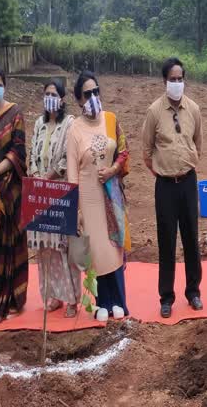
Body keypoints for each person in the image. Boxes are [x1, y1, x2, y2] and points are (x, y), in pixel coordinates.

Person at [142, 58, 204, 318]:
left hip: (188, 182)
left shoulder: (194, 110)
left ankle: (194, 292)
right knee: (166, 241)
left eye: (180, 79)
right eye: (172, 79)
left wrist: (185, 165)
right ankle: (166, 296)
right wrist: (162, 170)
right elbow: (146, 151)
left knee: (191, 237)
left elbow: (198, 144)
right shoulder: (154, 111)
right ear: (164, 81)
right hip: (165, 185)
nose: (177, 83)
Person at [67, 71, 130, 321]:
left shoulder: (112, 120)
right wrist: (78, 211)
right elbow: (72, 173)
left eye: (96, 92)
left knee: (115, 247)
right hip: (88, 197)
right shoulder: (75, 130)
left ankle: (119, 301)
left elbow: (123, 151)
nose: (93, 97)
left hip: (111, 194)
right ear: (79, 100)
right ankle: (102, 301)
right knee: (97, 250)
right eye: (87, 94)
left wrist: (113, 170)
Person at [27, 79, 79, 318]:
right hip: (39, 193)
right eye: (46, 93)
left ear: (62, 99)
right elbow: (32, 155)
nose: (50, 98)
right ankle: (51, 296)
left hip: (60, 191)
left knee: (63, 246)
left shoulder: (70, 124)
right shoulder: (38, 123)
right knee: (45, 247)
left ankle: (71, 298)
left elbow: (68, 157)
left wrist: (49, 176)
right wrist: (37, 177)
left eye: (54, 94)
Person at [0, 65, 28, 325]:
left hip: (9, 189)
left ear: (5, 85)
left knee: (7, 243)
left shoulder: (15, 113)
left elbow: (18, 152)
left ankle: (9, 298)